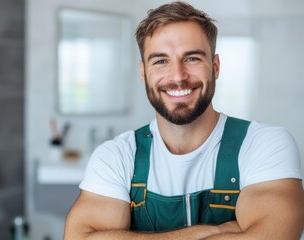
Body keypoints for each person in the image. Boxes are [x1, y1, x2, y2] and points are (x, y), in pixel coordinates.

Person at [64, 1, 304, 239]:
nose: (178, 76)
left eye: (192, 58)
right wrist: (218, 231)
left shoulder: (264, 145)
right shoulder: (116, 157)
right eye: (160, 61)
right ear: (143, 73)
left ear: (215, 66)